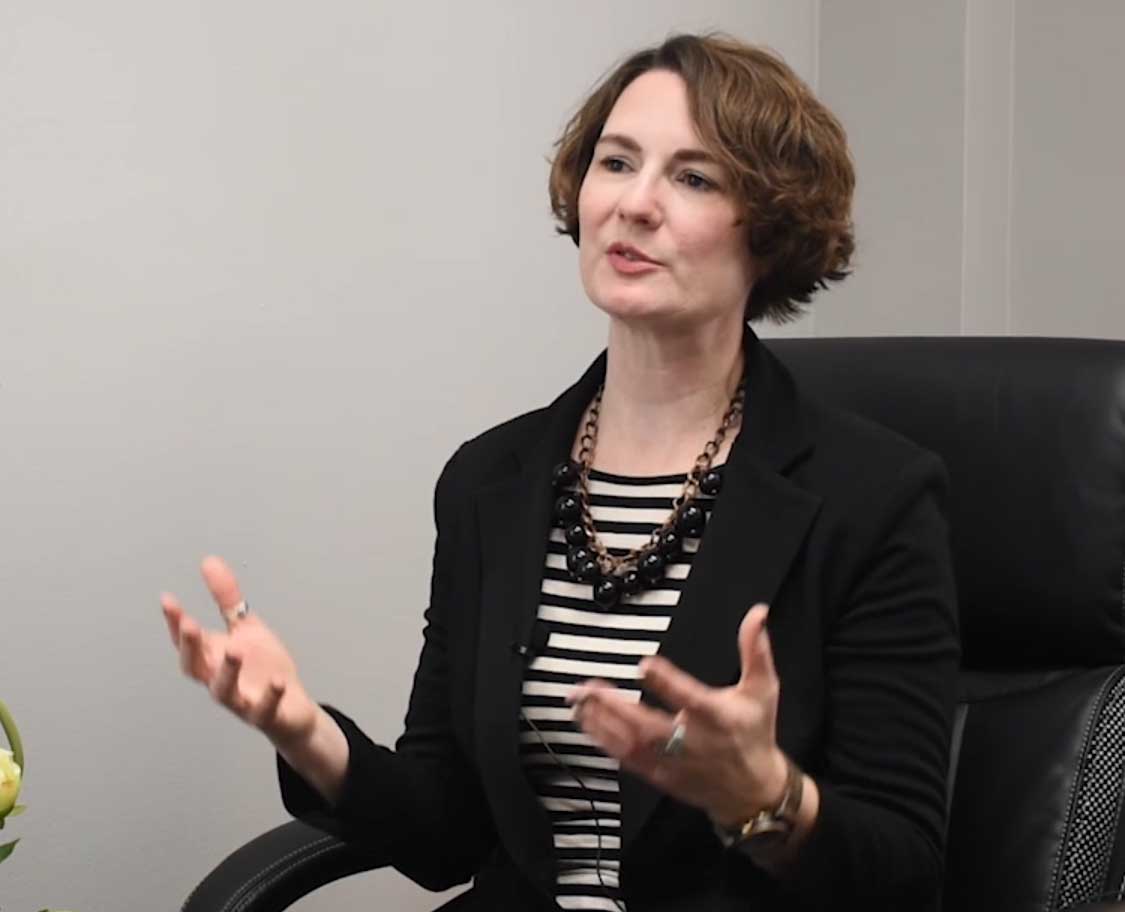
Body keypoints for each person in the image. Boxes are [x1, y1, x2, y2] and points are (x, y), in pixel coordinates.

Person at [162, 33, 959, 911]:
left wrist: (765, 799)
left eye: (693, 178)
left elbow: (904, 871)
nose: (635, 204)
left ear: (771, 226)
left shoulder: (872, 498)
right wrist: (307, 734)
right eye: (615, 163)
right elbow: (449, 832)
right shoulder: (488, 482)